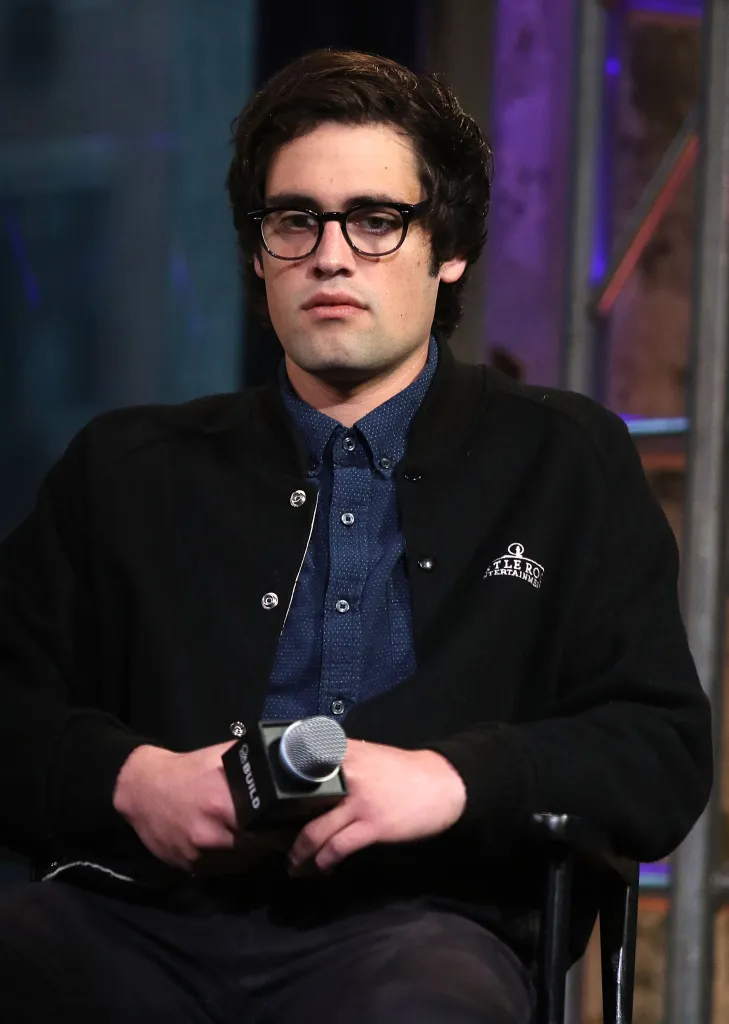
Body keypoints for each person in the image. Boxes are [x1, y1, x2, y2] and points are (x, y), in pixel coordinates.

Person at [0, 48, 713, 1024]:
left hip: (423, 933)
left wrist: (453, 779)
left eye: (377, 220)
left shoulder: (565, 460)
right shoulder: (125, 467)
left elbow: (659, 752)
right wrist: (133, 780)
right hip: (139, 922)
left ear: (448, 247)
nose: (330, 255)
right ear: (257, 252)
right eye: (296, 220)